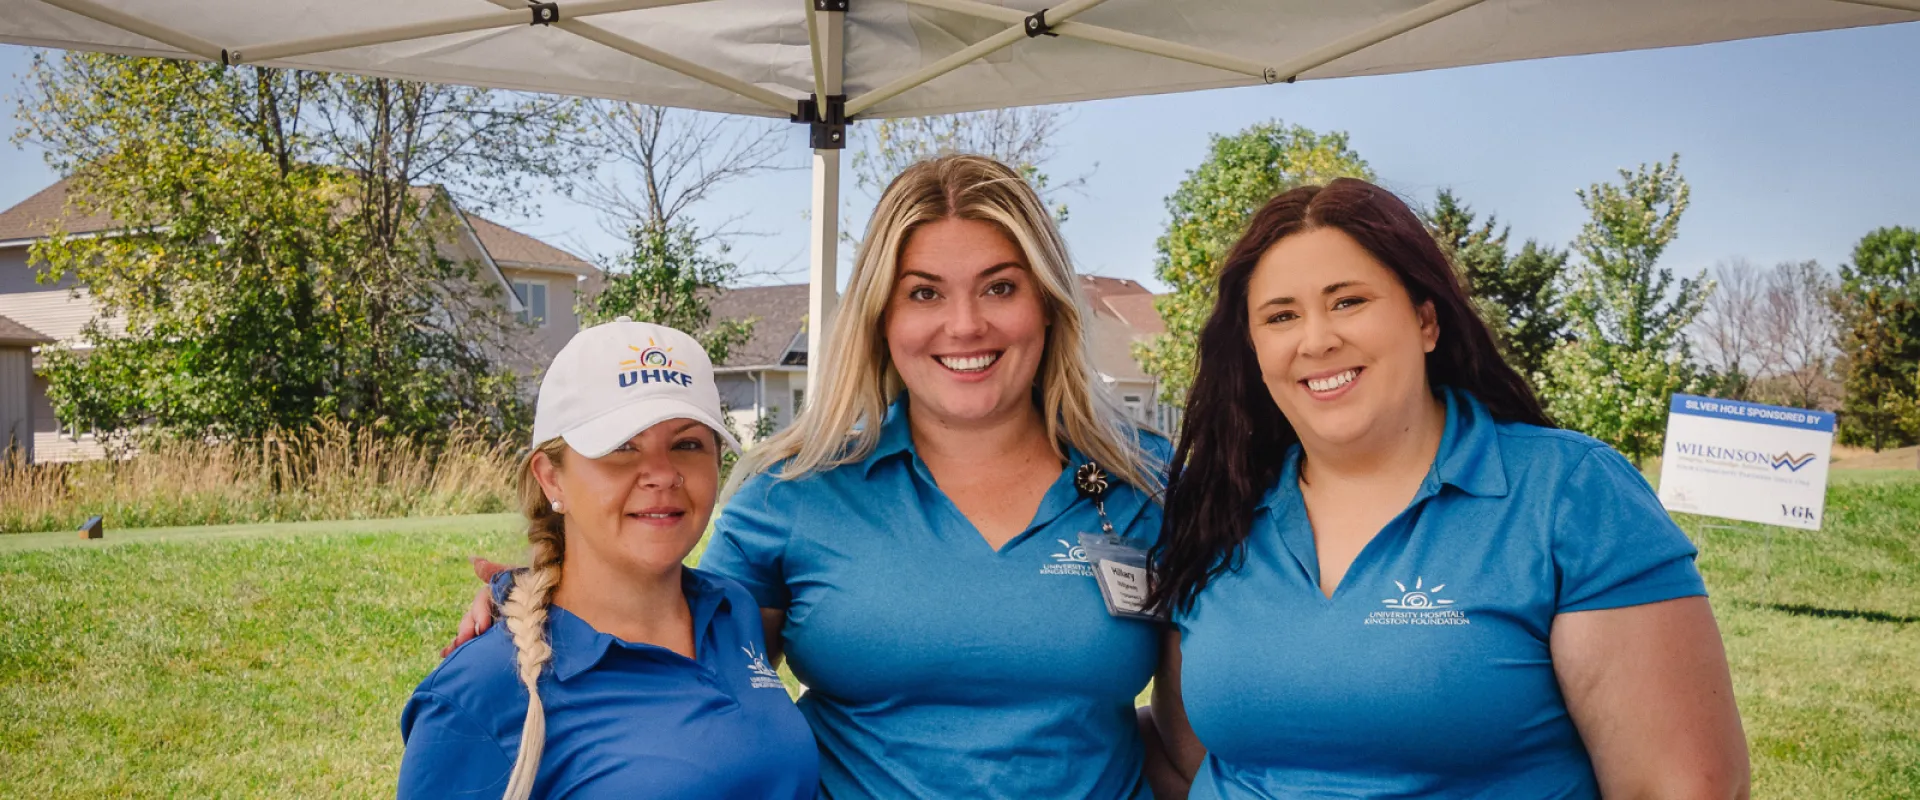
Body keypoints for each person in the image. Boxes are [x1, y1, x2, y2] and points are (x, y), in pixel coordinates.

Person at [450, 155, 1171, 798]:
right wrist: (537, 600)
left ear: (1046, 305)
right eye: (924, 293)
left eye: (1000, 287)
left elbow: (1222, 704)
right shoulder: (794, 488)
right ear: (881, 315)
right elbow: (683, 660)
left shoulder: (1150, 481)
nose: (963, 325)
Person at [1145, 178, 1751, 799]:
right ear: (1252, 349)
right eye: (1281, 316)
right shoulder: (1213, 507)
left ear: (1426, 320)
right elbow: (1190, 754)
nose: (1318, 339)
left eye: (1348, 301)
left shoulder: (1568, 494)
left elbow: (1680, 785)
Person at [398, 318, 818, 800]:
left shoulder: (731, 612)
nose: (662, 474)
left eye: (687, 444)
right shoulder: (481, 693)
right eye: (622, 447)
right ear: (551, 478)